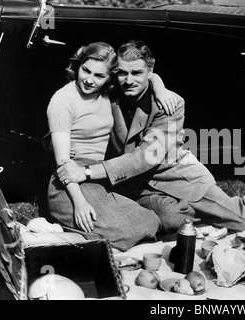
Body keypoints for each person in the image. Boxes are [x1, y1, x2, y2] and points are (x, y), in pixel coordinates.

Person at [56, 40, 245, 235]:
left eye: (137, 73)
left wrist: (87, 172)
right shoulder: (110, 96)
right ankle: (195, 215)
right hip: (136, 185)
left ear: (150, 70)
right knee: (173, 222)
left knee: (243, 224)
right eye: (122, 73)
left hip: (178, 175)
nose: (128, 80)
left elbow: (146, 157)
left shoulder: (169, 104)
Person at [45, 41, 178, 251]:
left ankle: (88, 233)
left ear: (110, 78)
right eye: (85, 70)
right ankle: (64, 230)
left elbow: (145, 73)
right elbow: (64, 164)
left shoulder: (106, 94)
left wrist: (160, 89)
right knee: (135, 231)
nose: (89, 80)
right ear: (78, 66)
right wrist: (79, 203)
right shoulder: (62, 100)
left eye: (99, 76)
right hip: (70, 183)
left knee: (151, 222)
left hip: (97, 176)